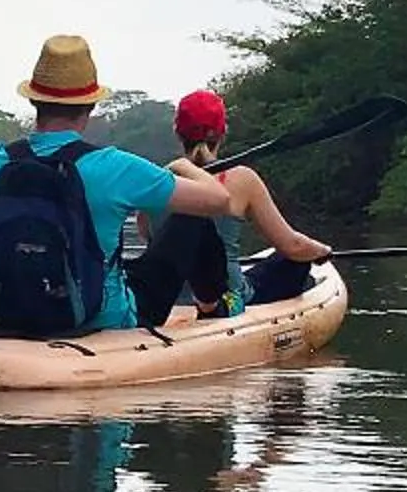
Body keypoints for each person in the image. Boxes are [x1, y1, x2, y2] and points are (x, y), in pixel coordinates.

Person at [0, 37, 319, 336]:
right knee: (191, 217)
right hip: (103, 316)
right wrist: (182, 166)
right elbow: (217, 200)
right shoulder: (114, 166)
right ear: (90, 104)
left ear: (33, 100)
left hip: (6, 311)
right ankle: (213, 308)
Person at [132, 89, 332, 320]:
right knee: (294, 261)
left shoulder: (155, 180)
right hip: (229, 298)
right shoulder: (242, 179)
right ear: (223, 131)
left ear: (177, 133)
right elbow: (293, 246)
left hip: (170, 297)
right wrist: (321, 251)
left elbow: (149, 237)